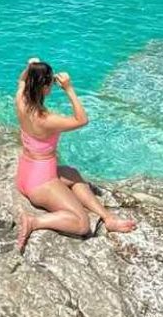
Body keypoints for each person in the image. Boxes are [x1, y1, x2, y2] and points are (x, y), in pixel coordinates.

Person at [14, 58, 135, 253]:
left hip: (25, 175)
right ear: (45, 87)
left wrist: (30, 67)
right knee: (81, 223)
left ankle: (107, 217)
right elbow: (82, 119)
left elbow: (21, 81)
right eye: (50, 83)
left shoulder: (20, 101)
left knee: (72, 173)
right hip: (41, 182)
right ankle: (34, 221)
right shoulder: (47, 120)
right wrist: (69, 89)